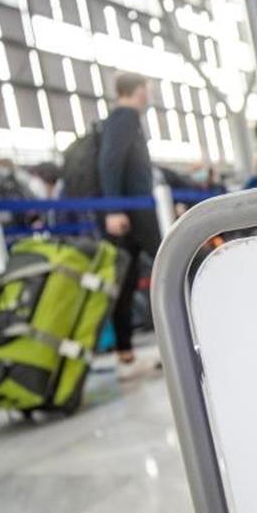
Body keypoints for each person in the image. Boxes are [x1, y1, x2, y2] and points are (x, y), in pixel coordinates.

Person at [99, 73, 162, 369]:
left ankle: (124, 348)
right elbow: (110, 161)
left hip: (133, 209)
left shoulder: (124, 118)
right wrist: (114, 208)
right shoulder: (124, 117)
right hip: (133, 211)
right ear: (137, 91)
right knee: (169, 265)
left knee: (125, 279)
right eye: (147, 90)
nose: (149, 95)